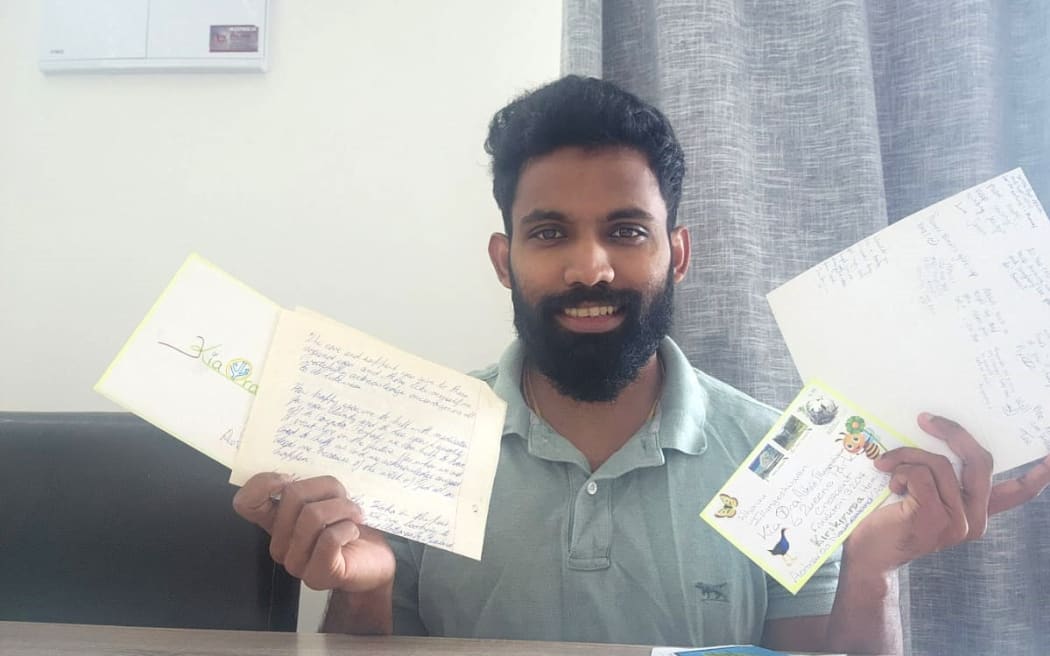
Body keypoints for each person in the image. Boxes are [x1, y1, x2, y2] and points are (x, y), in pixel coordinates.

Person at [233, 75, 1050, 653]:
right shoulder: (417, 442)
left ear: (678, 253)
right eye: (549, 233)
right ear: (502, 258)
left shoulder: (782, 457)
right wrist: (363, 590)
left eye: (626, 230)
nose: (590, 267)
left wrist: (870, 574)